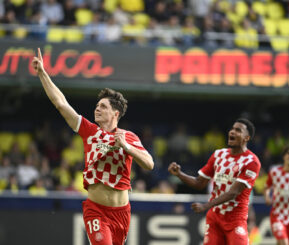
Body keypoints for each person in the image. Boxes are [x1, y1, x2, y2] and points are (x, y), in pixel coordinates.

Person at [32, 48, 154, 245]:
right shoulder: (89, 131)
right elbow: (61, 104)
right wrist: (43, 74)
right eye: (97, 106)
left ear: (115, 114)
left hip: (122, 213)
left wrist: (126, 147)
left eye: (103, 106)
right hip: (96, 210)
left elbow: (149, 164)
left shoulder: (128, 137)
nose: (97, 108)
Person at [168, 118, 261, 245]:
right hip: (215, 218)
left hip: (235, 219)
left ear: (246, 138)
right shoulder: (218, 155)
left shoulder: (252, 161)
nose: (232, 132)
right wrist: (179, 174)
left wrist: (206, 206)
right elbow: (199, 183)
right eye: (232, 129)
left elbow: (233, 193)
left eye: (238, 130)